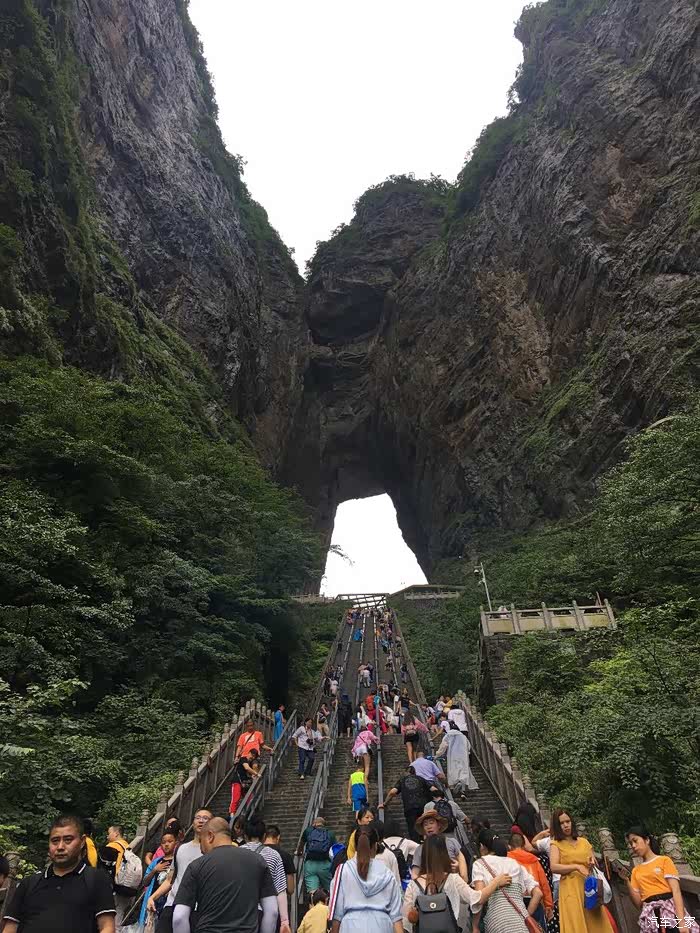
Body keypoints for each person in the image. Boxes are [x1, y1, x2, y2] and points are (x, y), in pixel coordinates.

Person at [3, 814, 116, 933]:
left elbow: (107, 927)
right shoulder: (29, 884)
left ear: (82, 841)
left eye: (68, 840)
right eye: (55, 841)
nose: (60, 847)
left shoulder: (96, 879)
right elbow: (10, 928)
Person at [172, 817, 278, 933]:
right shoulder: (257, 861)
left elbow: (179, 917)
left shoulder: (196, 866)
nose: (201, 849)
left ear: (210, 836)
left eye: (201, 841)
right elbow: (272, 912)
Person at [403, 834, 511, 932]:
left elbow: (406, 920)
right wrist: (496, 882)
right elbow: (477, 898)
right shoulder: (453, 879)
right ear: (444, 854)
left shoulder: (413, 885)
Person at [549, 808, 613, 933]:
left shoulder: (584, 842)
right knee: (576, 922)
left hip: (589, 887)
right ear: (557, 826)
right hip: (570, 888)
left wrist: (590, 863)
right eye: (562, 823)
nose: (566, 825)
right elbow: (554, 867)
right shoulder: (555, 844)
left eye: (568, 821)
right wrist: (576, 867)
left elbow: (593, 861)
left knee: (596, 922)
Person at [148, 808, 212, 932]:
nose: (201, 821)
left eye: (205, 818)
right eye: (198, 818)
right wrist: (153, 897)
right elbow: (171, 879)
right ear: (193, 822)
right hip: (172, 904)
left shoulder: (213, 851)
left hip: (197, 908)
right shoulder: (181, 849)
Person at [624, 825, 698, 932]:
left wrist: (682, 922)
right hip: (650, 914)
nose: (633, 846)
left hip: (669, 910)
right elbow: (638, 904)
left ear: (647, 840)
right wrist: (626, 880)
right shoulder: (636, 871)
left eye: (635, 841)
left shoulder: (664, 861)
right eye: (631, 843)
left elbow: (676, 891)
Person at [330, 826, 403, 933]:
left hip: (350, 926)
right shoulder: (387, 873)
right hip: (382, 925)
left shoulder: (343, 871)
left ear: (355, 846)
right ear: (375, 846)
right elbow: (396, 917)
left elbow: (337, 913)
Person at [471, 828, 543, 933]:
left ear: (482, 846)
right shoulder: (515, 864)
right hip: (521, 924)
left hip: (497, 923)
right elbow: (538, 893)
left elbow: (479, 899)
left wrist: (475, 926)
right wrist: (526, 915)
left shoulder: (480, 864)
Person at [240, 816, 291, 933]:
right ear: (264, 836)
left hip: (240, 913)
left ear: (245, 836)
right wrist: (284, 921)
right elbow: (280, 890)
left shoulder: (236, 853)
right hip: (264, 913)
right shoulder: (274, 855)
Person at [509, 831, 554, 929]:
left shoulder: (507, 859)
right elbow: (544, 883)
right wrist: (548, 905)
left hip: (515, 901)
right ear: (524, 845)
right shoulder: (533, 859)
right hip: (535, 901)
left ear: (509, 846)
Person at [379, 766, 436, 844]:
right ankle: (427, 843)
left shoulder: (402, 780)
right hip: (423, 807)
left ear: (406, 772)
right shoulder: (421, 779)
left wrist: (385, 803)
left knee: (413, 829)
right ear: (415, 772)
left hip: (410, 808)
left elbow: (392, 792)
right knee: (424, 825)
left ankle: (416, 845)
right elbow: (434, 789)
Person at [410, 809, 468, 882]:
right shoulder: (420, 849)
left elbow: (463, 870)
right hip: (430, 884)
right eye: (425, 824)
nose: (429, 827)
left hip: (453, 882)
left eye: (431, 823)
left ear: (439, 825)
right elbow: (415, 874)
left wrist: (458, 868)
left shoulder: (452, 842)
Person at [139, 827, 178, 924]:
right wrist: (154, 870)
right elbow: (145, 882)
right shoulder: (156, 862)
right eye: (164, 842)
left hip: (170, 901)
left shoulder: (178, 860)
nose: (166, 844)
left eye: (170, 841)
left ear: (176, 843)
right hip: (154, 899)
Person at [100, 823, 135, 926]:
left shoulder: (112, 846)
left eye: (109, 833)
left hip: (114, 888)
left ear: (116, 833)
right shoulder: (127, 846)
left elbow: (103, 869)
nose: (107, 836)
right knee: (118, 921)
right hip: (126, 886)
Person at [435, 723, 478, 795]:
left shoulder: (448, 735)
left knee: (453, 771)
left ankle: (454, 785)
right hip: (463, 756)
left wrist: (437, 754)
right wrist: (467, 753)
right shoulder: (463, 736)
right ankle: (463, 788)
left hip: (452, 756)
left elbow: (443, 746)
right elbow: (468, 746)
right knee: (463, 771)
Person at [297, 816, 336, 896]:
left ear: (314, 824)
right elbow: (335, 849)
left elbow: (301, 845)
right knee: (329, 890)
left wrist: (299, 852)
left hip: (310, 865)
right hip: (325, 865)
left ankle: (313, 901)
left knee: (313, 892)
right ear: (324, 825)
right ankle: (328, 901)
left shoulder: (308, 831)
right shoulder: (330, 833)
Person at [264, 825, 297, 895]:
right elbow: (290, 889)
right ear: (278, 837)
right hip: (279, 896)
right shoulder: (285, 855)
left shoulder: (256, 853)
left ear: (263, 836)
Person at [229, 747, 261, 819]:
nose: (252, 757)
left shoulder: (250, 763)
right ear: (249, 753)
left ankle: (249, 814)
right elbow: (246, 768)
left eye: (254, 756)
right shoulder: (243, 759)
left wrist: (253, 775)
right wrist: (256, 774)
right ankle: (232, 815)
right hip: (237, 781)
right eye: (252, 755)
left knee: (249, 798)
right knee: (236, 798)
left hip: (244, 783)